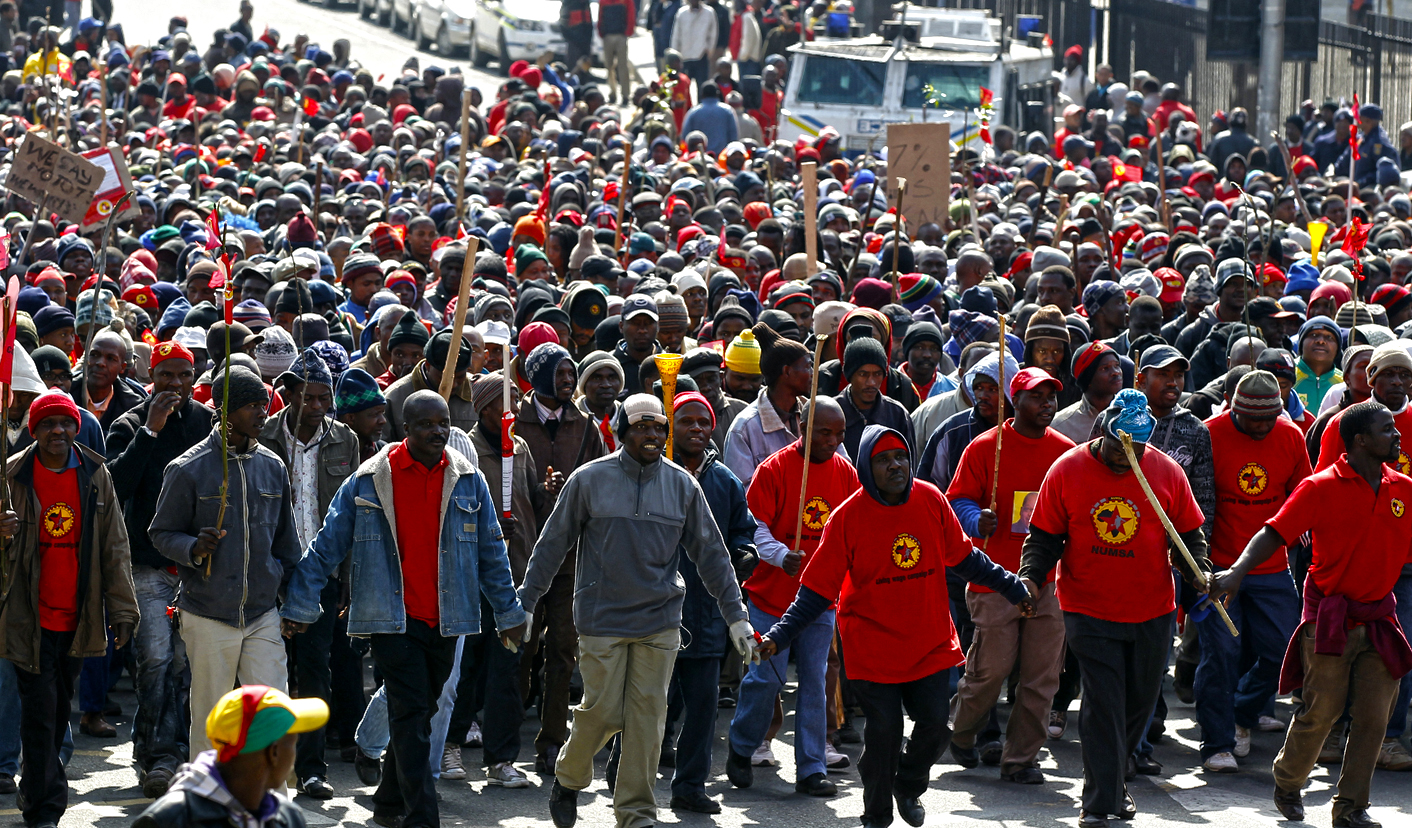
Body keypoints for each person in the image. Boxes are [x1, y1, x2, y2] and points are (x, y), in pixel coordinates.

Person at [758, 424, 1033, 828]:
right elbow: (815, 593)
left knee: (937, 726)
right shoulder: (847, 517)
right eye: (883, 460)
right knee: (884, 732)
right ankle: (877, 813)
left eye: (901, 456)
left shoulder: (930, 499)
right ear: (867, 469)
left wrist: (1012, 585)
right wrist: (779, 636)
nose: (895, 466)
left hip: (930, 642)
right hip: (873, 646)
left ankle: (909, 783)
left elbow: (966, 559)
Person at [279, 389, 527, 828]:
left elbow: (492, 553)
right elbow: (326, 546)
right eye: (427, 424)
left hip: (450, 620)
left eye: (443, 422)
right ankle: (421, 817)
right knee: (412, 714)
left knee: (421, 712)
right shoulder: (370, 478)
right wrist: (300, 603)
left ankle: (389, 801)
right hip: (391, 619)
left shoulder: (468, 479)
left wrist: (509, 616)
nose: (438, 431)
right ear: (406, 429)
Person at [519, 394, 755, 828]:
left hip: (660, 620)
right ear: (621, 431)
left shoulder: (683, 485)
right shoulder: (589, 480)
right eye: (641, 427)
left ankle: (636, 813)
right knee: (604, 712)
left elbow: (713, 555)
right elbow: (552, 543)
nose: (652, 435)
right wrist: (528, 601)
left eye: (659, 428)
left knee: (648, 721)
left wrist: (736, 616)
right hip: (601, 617)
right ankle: (569, 777)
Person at [1212, 400, 1412, 827]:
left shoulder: (1405, 489)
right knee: (1321, 712)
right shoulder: (1319, 487)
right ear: (1360, 440)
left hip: (1380, 619)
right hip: (1330, 620)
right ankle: (1287, 782)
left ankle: (1351, 807)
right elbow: (1273, 532)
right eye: (1387, 430)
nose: (1397, 437)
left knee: (1374, 718)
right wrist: (1236, 573)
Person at [1018, 389, 1211, 824]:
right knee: (1103, 701)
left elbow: (1189, 536)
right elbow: (1044, 536)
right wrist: (1031, 579)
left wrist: (1200, 572)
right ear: (1102, 432)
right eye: (1119, 445)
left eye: (1137, 447)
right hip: (1088, 606)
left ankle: (1113, 770)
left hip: (1152, 607)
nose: (1127, 456)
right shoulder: (1067, 469)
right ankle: (1101, 800)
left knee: (1139, 702)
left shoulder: (1166, 472)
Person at [0, 390, 138, 828]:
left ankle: (34, 792)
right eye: (47, 424)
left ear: (76, 427)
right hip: (28, 618)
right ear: (34, 431)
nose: (57, 431)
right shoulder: (11, 476)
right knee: (41, 715)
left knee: (59, 713)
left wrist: (122, 609)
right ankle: (46, 809)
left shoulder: (96, 475)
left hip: (77, 618)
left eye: (65, 423)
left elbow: (115, 546)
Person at [149, 366, 301, 758]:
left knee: (272, 713)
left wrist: (291, 598)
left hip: (263, 612)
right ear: (225, 410)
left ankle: (270, 803)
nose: (261, 413)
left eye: (263, 404)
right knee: (211, 718)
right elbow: (161, 534)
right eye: (252, 406)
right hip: (207, 611)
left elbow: (287, 543)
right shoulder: (188, 468)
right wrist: (194, 547)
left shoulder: (273, 466)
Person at [944, 368, 1074, 783]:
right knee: (990, 670)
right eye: (1037, 397)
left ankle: (1020, 759)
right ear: (1014, 402)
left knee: (1041, 677)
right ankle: (962, 732)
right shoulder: (985, 448)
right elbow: (958, 500)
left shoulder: (1068, 452)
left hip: (1050, 582)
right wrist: (974, 519)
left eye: (1052, 397)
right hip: (994, 579)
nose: (1047, 405)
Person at [727, 397, 857, 797]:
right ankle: (742, 745)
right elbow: (756, 528)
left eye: (839, 434)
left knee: (815, 682)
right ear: (802, 425)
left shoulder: (846, 473)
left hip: (819, 598)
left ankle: (812, 767)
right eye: (824, 432)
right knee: (765, 677)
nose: (832, 441)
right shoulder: (775, 469)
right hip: (771, 596)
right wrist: (783, 556)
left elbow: (855, 532)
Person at [104, 340, 214, 796]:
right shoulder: (130, 422)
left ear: (193, 378)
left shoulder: (206, 424)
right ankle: (153, 754)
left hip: (195, 564)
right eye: (165, 376)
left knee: (185, 665)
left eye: (182, 376)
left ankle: (170, 752)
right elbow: (116, 485)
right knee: (154, 660)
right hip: (148, 565)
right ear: (152, 376)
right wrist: (149, 432)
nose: (174, 385)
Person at [1196, 370, 1311, 772]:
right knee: (1221, 653)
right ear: (1234, 410)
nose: (1263, 426)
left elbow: (1301, 498)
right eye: (1253, 420)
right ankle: (1217, 742)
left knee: (1286, 652)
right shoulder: (1208, 433)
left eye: (1270, 418)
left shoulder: (1291, 435)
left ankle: (1242, 711)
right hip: (1218, 568)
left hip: (1271, 567)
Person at [257, 348, 359, 800]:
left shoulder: (345, 440)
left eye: (324, 399)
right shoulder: (263, 436)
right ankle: (262, 766)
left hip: (321, 572)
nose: (316, 408)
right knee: (268, 673)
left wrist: (347, 580)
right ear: (289, 395)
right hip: (269, 570)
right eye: (308, 398)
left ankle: (313, 769)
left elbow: (355, 514)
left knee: (316, 671)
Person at [513, 342, 607, 774]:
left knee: (563, 651)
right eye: (561, 374)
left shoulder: (586, 425)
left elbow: (601, 477)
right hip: (527, 555)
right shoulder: (515, 421)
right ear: (539, 376)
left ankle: (551, 740)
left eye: (572, 375)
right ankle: (507, 734)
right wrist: (540, 491)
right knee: (522, 648)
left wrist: (572, 489)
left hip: (572, 557)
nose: (570, 382)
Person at [665, 391, 758, 813]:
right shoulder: (652, 474)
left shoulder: (725, 482)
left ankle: (690, 786)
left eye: (704, 422)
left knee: (703, 709)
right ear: (672, 426)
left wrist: (746, 554)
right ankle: (622, 774)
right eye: (687, 421)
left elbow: (743, 530)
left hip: (706, 614)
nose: (697, 429)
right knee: (650, 706)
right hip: (655, 615)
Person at [132, 685, 326, 828]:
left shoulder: (288, 816)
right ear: (273, 753)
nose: (295, 755)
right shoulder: (167, 820)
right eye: (292, 743)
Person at [723, 323, 816, 486]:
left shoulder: (816, 414)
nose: (812, 373)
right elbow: (742, 492)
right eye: (808, 366)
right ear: (787, 372)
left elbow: (841, 468)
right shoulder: (744, 429)